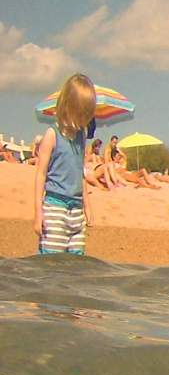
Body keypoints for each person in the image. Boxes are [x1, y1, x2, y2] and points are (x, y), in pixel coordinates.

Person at [30, 73, 98, 256]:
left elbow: (80, 173)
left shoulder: (81, 137)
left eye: (88, 114)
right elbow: (40, 174)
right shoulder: (52, 135)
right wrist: (38, 212)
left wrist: (87, 206)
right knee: (52, 260)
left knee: (76, 262)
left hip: (76, 209)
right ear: (68, 107)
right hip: (55, 207)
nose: (85, 119)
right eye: (82, 113)